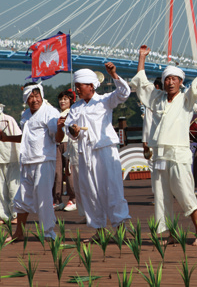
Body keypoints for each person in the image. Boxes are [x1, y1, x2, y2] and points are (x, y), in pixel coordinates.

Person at [131, 41, 197, 245]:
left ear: (180, 82)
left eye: (175, 79)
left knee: (185, 194)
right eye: (167, 79)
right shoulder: (157, 98)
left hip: (178, 153)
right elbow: (141, 83)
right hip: (159, 154)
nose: (170, 82)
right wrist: (142, 57)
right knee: (161, 196)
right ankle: (171, 235)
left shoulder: (187, 99)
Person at [65, 64, 131, 235]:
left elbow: (124, 93)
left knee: (112, 187)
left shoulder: (105, 100)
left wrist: (114, 74)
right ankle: (99, 231)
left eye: (80, 85)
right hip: (85, 152)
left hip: (105, 151)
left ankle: (120, 229)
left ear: (91, 86)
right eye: (76, 86)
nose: (77, 89)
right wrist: (74, 130)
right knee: (90, 191)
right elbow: (69, 129)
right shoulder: (75, 107)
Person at [1, 83, 65, 241]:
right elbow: (27, 138)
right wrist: (7, 138)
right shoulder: (26, 114)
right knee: (21, 199)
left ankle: (49, 234)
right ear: (26, 99)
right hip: (27, 162)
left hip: (43, 162)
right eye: (31, 97)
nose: (34, 100)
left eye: (37, 96)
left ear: (41, 96)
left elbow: (57, 139)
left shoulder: (50, 113)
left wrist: (60, 128)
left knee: (44, 199)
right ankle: (19, 233)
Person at [53, 90, 77, 212]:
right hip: (57, 143)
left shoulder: (73, 112)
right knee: (57, 172)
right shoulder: (57, 113)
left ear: (71, 101)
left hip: (69, 143)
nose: (62, 101)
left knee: (68, 171)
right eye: (61, 99)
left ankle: (73, 199)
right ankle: (57, 200)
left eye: (65, 99)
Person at [0, 104, 21, 224]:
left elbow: (17, 139)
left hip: (12, 159)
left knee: (14, 188)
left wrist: (19, 158)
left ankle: (16, 214)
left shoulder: (8, 119)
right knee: (0, 190)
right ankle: (3, 215)